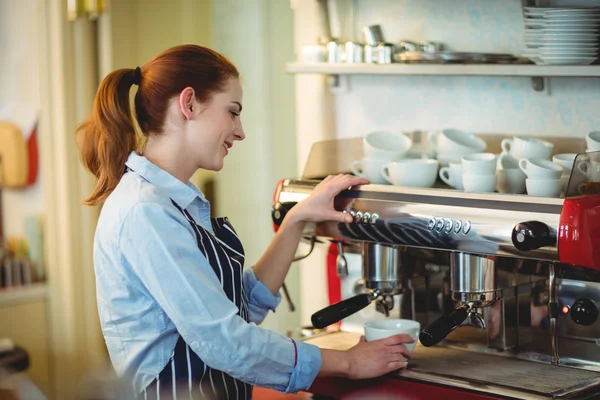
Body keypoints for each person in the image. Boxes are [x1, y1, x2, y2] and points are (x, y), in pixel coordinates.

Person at [76, 44, 414, 400]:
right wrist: (348, 362)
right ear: (188, 104)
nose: (240, 132)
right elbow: (224, 341)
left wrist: (296, 219)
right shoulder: (146, 211)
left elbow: (238, 310)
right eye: (232, 112)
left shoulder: (174, 202)